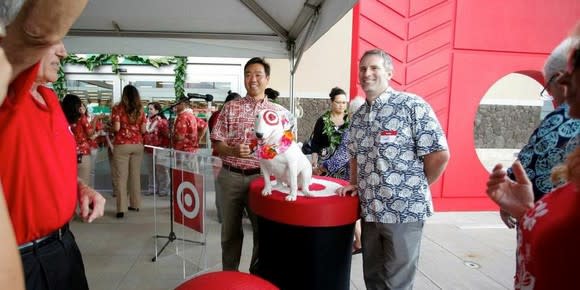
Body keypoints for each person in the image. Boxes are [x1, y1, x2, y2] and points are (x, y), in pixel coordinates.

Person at [337, 49, 450, 290]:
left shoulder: (411, 106)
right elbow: (355, 155)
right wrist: (354, 182)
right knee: (374, 278)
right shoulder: (357, 117)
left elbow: (439, 155)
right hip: (370, 213)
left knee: (397, 283)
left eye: (374, 68)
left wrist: (414, 186)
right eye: (363, 69)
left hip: (404, 213)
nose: (367, 73)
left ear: (389, 72)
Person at [0, 40, 105, 290]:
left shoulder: (49, 98)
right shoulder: (8, 99)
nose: (63, 52)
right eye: (52, 42)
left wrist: (79, 188)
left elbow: (47, 164)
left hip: (63, 246)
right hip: (21, 260)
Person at [486, 39, 580, 290]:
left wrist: (529, 212)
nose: (556, 95)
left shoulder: (562, 116)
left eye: (553, 85)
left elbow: (527, 164)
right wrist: (526, 210)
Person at [211, 57, 295, 273]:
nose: (253, 79)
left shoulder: (280, 112)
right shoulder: (230, 107)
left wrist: (264, 152)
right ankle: (230, 276)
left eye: (258, 74)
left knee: (262, 232)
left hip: (263, 179)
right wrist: (231, 150)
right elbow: (217, 141)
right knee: (229, 232)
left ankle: (256, 277)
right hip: (231, 176)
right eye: (248, 74)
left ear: (267, 79)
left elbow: (287, 143)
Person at [498, 38, 580, 228]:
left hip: (559, 229)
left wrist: (509, 198)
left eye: (548, 87)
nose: (551, 94)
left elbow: (530, 166)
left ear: (561, 79)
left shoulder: (565, 115)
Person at [313, 96, 365, 254]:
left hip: (350, 177)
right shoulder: (368, 127)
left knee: (349, 207)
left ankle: (360, 242)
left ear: (351, 113)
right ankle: (360, 241)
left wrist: (323, 168)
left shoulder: (353, 130)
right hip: (363, 175)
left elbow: (343, 155)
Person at [111, 84, 147, 218]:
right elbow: (143, 130)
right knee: (135, 176)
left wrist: (111, 126)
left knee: (121, 177)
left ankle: (121, 209)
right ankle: (135, 204)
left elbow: (116, 128)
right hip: (137, 144)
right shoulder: (140, 109)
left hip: (122, 145)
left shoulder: (117, 108)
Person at [208, 90, 242, 223]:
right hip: (221, 157)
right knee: (221, 187)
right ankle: (223, 216)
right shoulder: (220, 116)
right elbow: (220, 138)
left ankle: (227, 214)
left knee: (225, 187)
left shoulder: (219, 115)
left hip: (228, 156)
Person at [61, 94, 102, 186]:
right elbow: (90, 133)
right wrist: (95, 119)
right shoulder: (81, 118)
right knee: (83, 186)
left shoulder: (60, 119)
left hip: (66, 154)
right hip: (82, 155)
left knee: (67, 185)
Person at [307, 87, 349, 167]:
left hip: (343, 164)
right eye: (338, 102)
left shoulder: (350, 120)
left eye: (344, 103)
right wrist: (314, 159)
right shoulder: (322, 120)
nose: (341, 105)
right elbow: (315, 142)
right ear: (332, 102)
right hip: (324, 163)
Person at [143, 102, 170, 196]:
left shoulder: (162, 121)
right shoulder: (147, 121)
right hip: (148, 149)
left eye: (151, 109)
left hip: (160, 149)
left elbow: (167, 135)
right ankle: (152, 189)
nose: (149, 111)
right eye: (148, 109)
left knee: (162, 170)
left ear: (157, 110)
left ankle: (163, 189)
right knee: (151, 170)